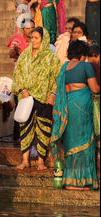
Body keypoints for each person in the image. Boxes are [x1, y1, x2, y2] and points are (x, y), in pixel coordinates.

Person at [50, 40, 100, 190]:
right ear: (82, 54)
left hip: (68, 106)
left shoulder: (64, 68)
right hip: (82, 107)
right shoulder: (85, 66)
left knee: (71, 143)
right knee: (85, 142)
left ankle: (70, 181)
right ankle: (83, 181)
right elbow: (95, 89)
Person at [12, 27, 61, 170]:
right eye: (32, 37)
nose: (33, 40)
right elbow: (17, 74)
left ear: (43, 39)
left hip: (45, 98)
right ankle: (25, 160)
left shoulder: (52, 58)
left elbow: (57, 78)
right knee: (25, 129)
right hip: (26, 97)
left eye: (36, 38)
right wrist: (22, 90)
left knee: (44, 129)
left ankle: (41, 161)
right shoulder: (24, 56)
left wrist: (53, 94)